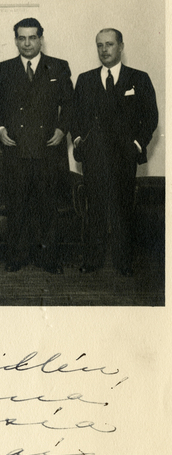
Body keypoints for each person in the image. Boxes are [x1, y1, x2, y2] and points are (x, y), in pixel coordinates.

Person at [73, 29, 158, 276]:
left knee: (122, 209)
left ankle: (124, 263)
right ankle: (92, 260)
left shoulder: (139, 78)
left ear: (121, 46)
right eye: (100, 45)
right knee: (95, 209)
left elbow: (150, 117)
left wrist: (136, 145)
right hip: (94, 156)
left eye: (109, 44)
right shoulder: (85, 79)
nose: (104, 50)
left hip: (124, 157)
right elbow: (75, 116)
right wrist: (80, 141)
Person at [0, 17, 73, 274]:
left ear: (41, 39)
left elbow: (70, 104)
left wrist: (62, 129)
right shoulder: (4, 69)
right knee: (17, 205)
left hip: (47, 148)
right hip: (15, 148)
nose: (27, 43)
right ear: (16, 40)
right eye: (22, 38)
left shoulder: (58, 67)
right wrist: (0, 129)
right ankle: (17, 257)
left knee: (47, 206)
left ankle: (49, 258)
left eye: (32, 37)